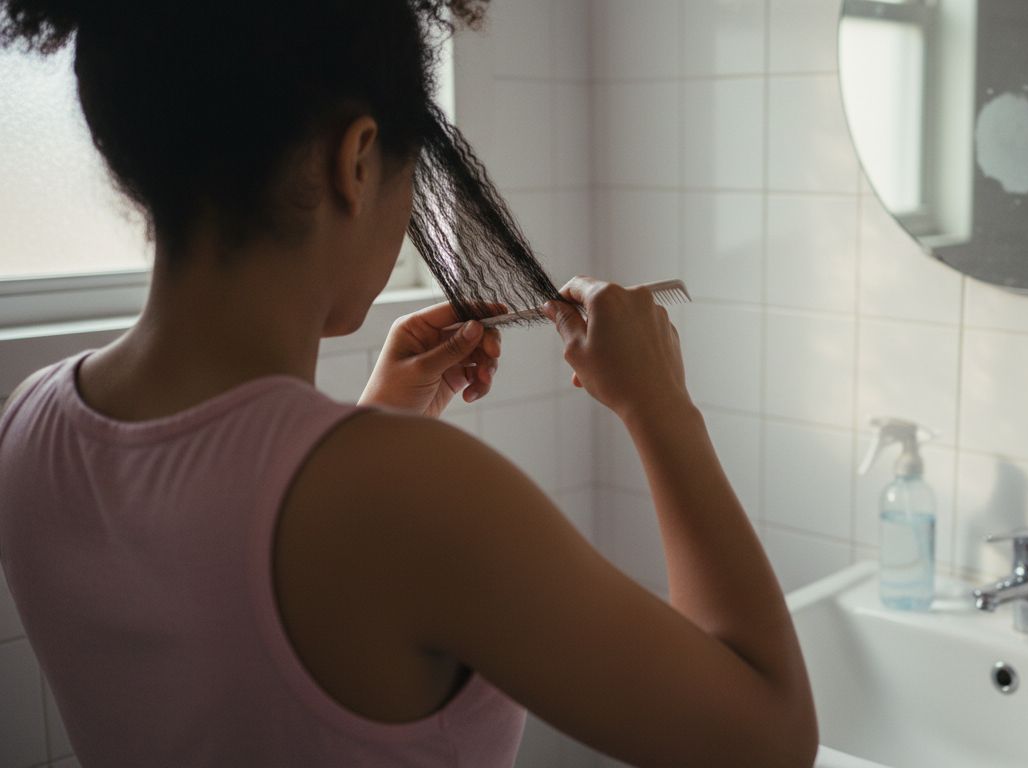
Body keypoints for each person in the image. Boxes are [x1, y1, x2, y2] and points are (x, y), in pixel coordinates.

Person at [0, 2, 818, 766]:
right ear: (355, 160)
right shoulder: (410, 495)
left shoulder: (30, 428)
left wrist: (373, 421)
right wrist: (661, 406)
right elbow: (770, 736)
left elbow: (239, 608)